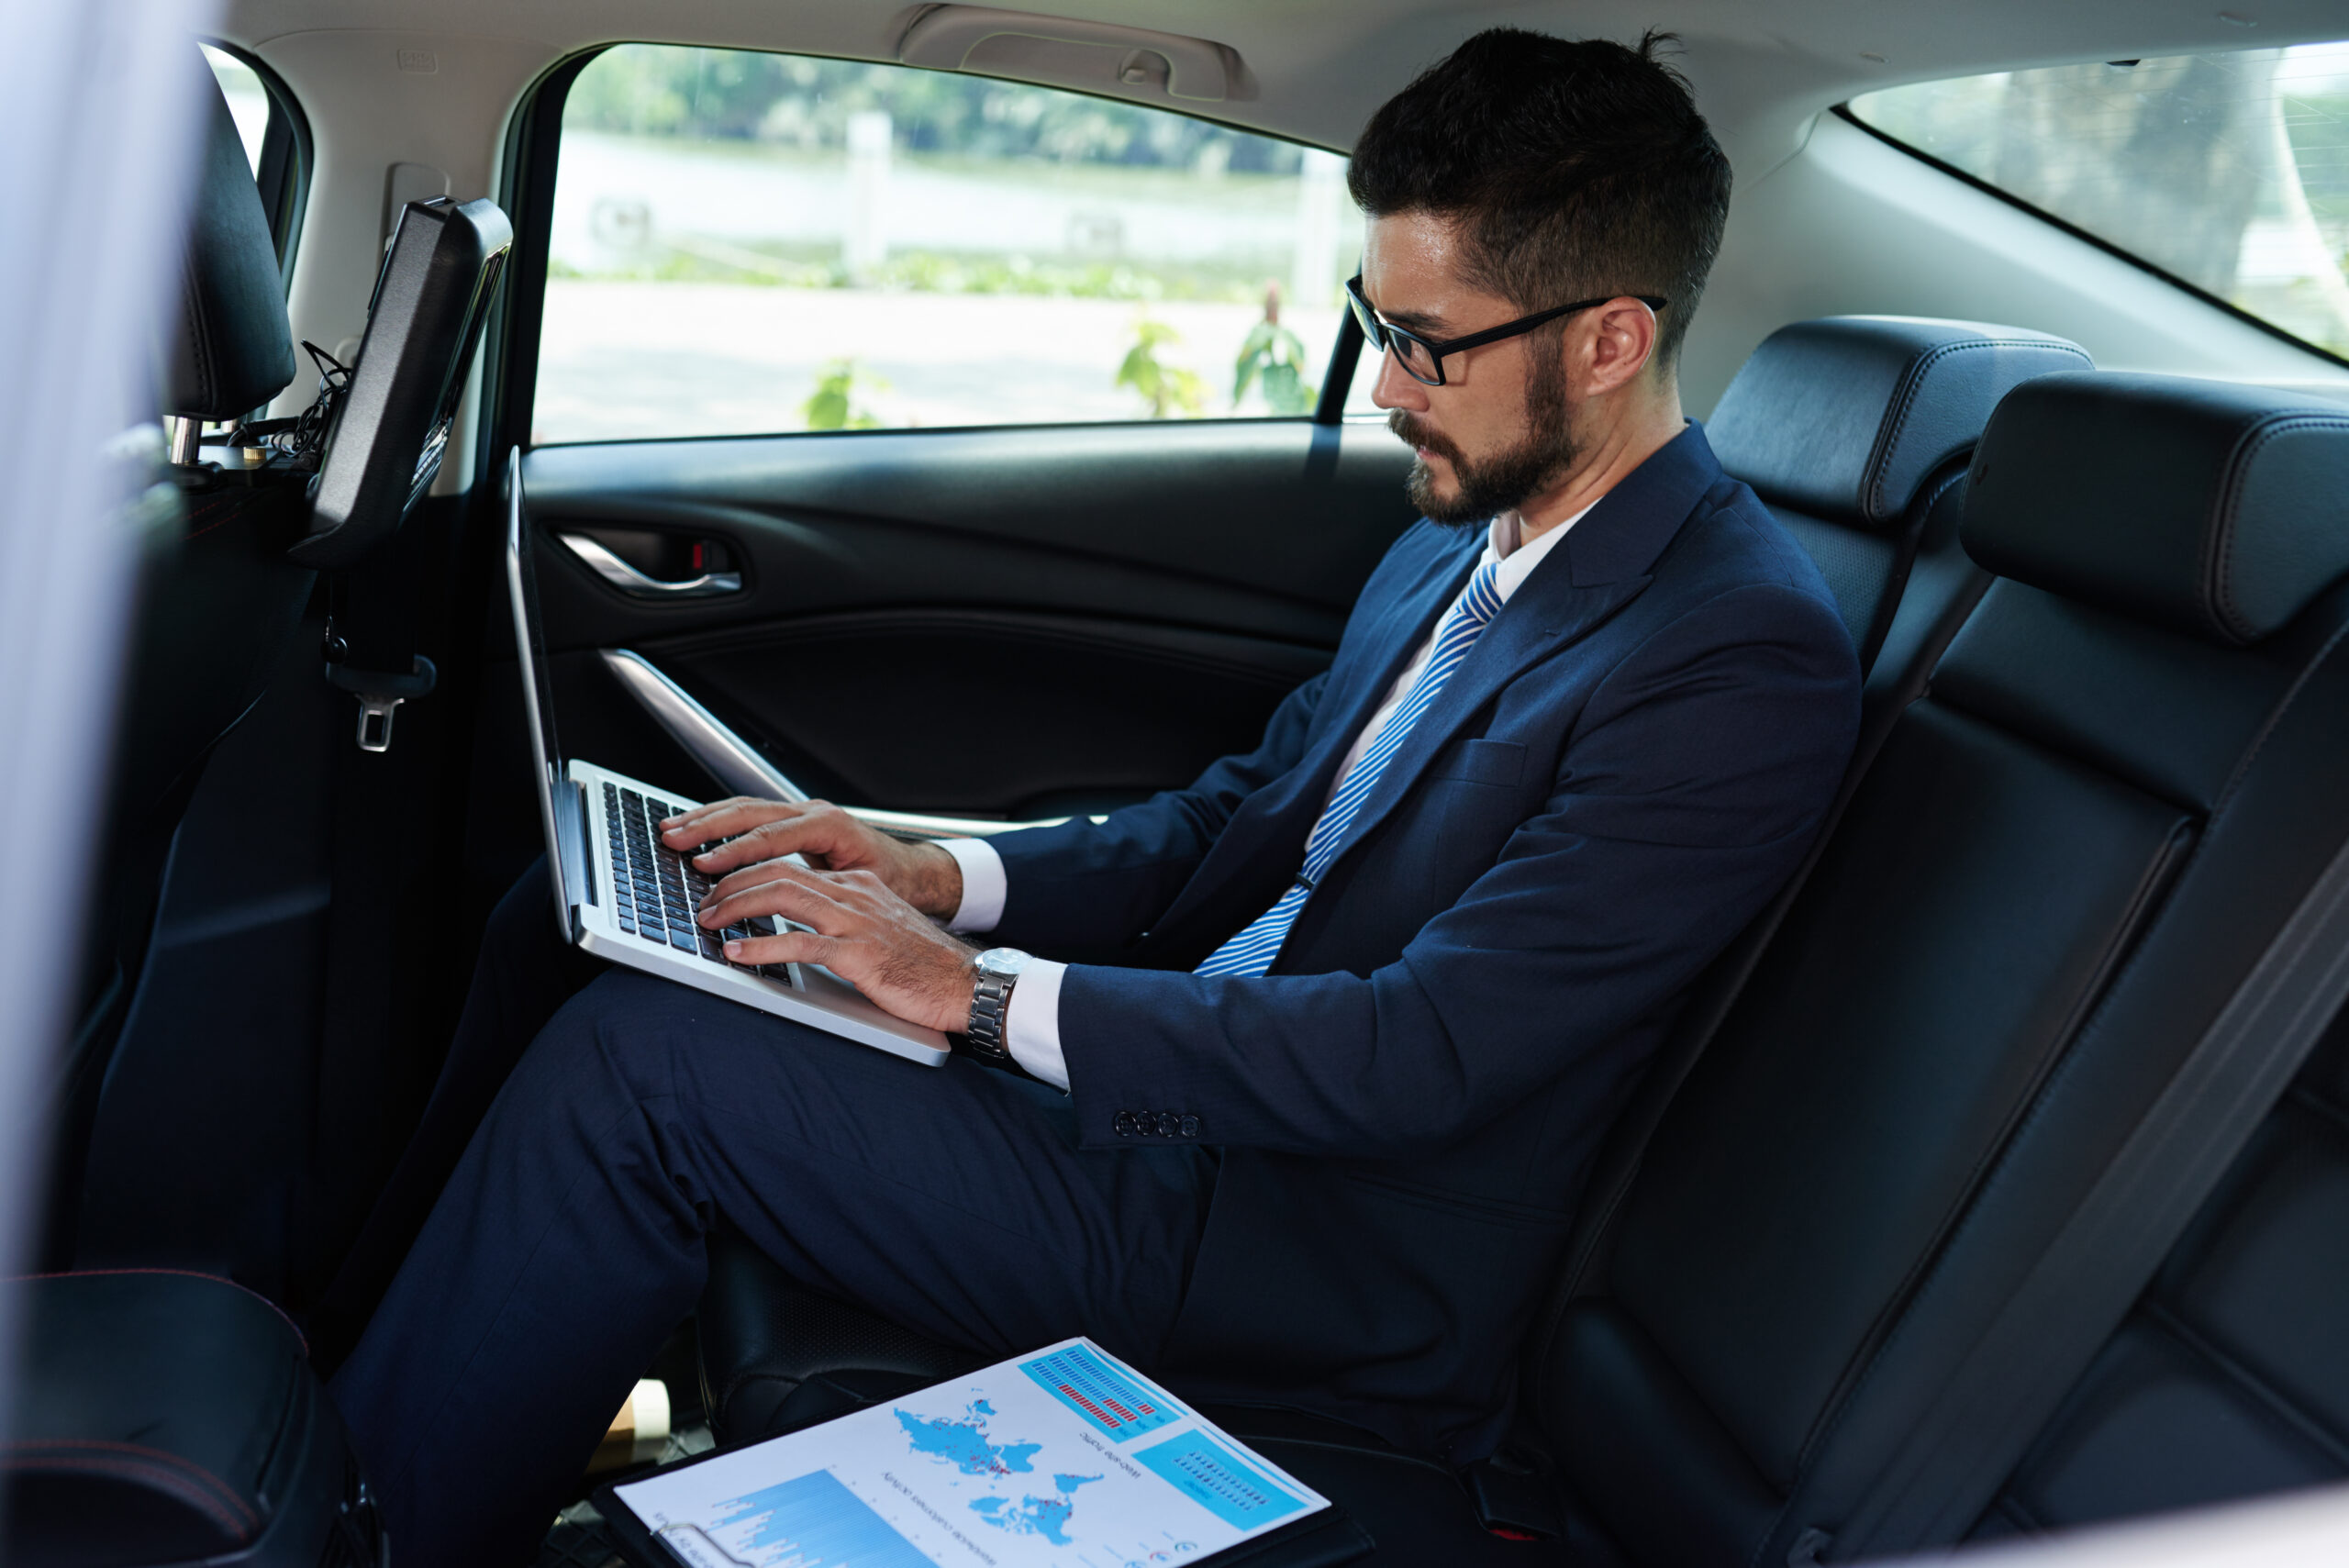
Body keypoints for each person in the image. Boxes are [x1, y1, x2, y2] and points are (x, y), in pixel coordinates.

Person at [328, 28, 1861, 1562]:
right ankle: (337, 1424)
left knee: (642, 1070)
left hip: (1302, 1238)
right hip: (1173, 1100)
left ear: (1606, 341)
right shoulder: (1474, 538)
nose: (1391, 384)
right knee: (590, 917)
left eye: (1430, 342)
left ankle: (363, 1539)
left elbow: (1428, 1048)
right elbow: (1236, 821)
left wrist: (978, 999)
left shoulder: (1732, 659)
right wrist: (934, 880)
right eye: (1373, 322)